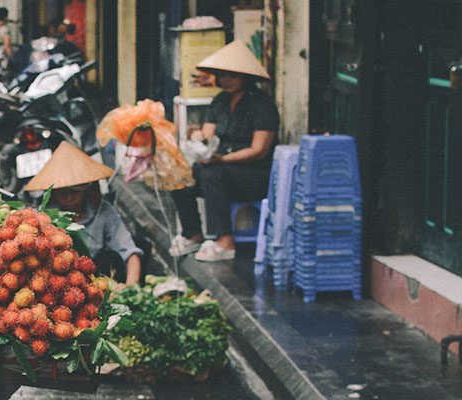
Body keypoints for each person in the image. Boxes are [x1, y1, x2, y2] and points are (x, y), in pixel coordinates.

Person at [169, 40, 279, 262]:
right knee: (179, 176)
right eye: (223, 75)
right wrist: (197, 138)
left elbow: (259, 150)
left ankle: (224, 241)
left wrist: (224, 159)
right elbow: (208, 134)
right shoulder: (219, 101)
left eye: (233, 75)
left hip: (254, 174)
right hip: (222, 168)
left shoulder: (262, 104)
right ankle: (193, 234)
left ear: (246, 77)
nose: (227, 80)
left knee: (213, 174)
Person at [24, 143, 144, 286]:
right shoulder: (44, 215)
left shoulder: (103, 211)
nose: (68, 198)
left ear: (86, 190)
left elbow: (129, 251)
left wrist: (130, 288)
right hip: (56, 280)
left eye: (74, 192)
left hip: (95, 276)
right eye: (63, 193)